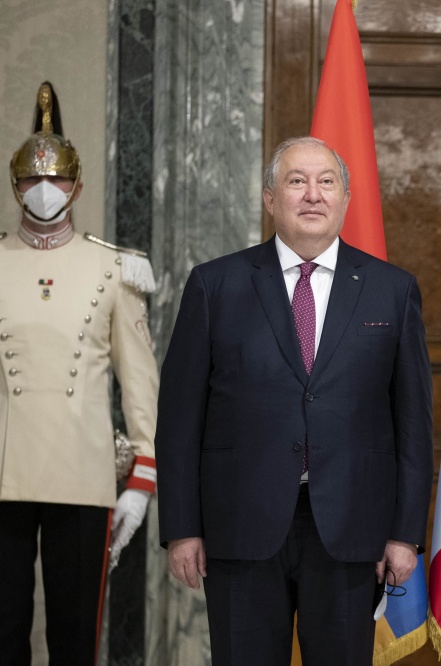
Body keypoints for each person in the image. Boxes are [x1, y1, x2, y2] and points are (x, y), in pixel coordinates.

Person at [155, 136, 433, 665]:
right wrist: (181, 527)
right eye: (296, 181)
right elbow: (179, 419)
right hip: (239, 525)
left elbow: (412, 423)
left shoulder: (391, 290)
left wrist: (405, 535)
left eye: (326, 182)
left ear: (345, 198)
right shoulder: (215, 285)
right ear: (269, 198)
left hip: (352, 531)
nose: (312, 195)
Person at [0, 82, 159, 665]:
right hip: (2, 474)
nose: (45, 190)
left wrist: (141, 482)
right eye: (32, 180)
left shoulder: (114, 268)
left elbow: (141, 384)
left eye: (58, 179)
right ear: (15, 186)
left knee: (74, 640)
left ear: (79, 185)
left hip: (82, 477)